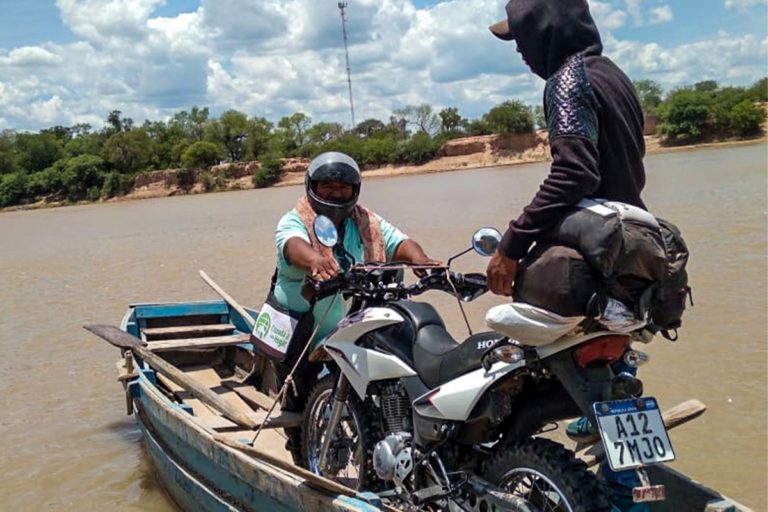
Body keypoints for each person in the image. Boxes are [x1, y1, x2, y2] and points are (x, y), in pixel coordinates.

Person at [486, 1, 649, 509]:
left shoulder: (565, 80)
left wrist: (513, 244)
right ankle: (607, 431)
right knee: (605, 362)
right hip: (630, 250)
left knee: (500, 322)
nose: (518, 50)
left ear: (547, 31)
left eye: (521, 37)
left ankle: (503, 449)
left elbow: (575, 172)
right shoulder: (615, 76)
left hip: (592, 257)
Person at [271, 151, 439, 463]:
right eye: (327, 187)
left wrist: (421, 260)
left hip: (349, 319)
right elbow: (293, 244)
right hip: (300, 320)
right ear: (312, 187)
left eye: (343, 188)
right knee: (297, 393)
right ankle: (299, 448)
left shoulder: (366, 221)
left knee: (371, 382)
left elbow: (398, 242)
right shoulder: (294, 219)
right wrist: (315, 261)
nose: (335, 193)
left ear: (355, 190)